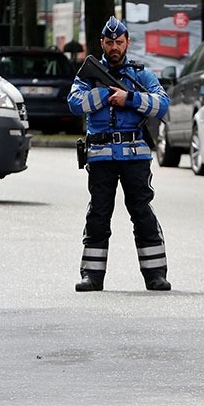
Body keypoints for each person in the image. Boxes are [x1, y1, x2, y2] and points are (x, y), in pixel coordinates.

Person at [67, 16, 171, 292]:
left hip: (135, 157)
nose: (114, 47)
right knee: (99, 214)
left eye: (119, 42)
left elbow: (162, 105)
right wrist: (103, 94)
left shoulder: (140, 74)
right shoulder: (89, 75)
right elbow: (75, 103)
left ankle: (155, 274)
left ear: (127, 43)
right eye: (109, 42)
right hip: (101, 156)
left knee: (141, 212)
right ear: (102, 43)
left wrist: (131, 99)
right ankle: (92, 275)